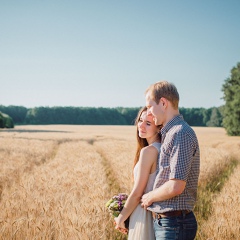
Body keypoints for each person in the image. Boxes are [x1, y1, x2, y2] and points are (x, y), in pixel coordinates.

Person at [141, 81, 200, 240]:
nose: (149, 112)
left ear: (163, 103)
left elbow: (176, 186)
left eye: (149, 106)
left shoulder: (179, 133)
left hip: (174, 224)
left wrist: (149, 197)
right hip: (170, 223)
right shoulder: (170, 133)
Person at [114, 106, 161, 240]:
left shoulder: (149, 151)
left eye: (148, 123)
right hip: (155, 213)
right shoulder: (162, 148)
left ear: (159, 127)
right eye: (140, 120)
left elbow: (137, 193)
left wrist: (121, 218)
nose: (141, 125)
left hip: (144, 214)